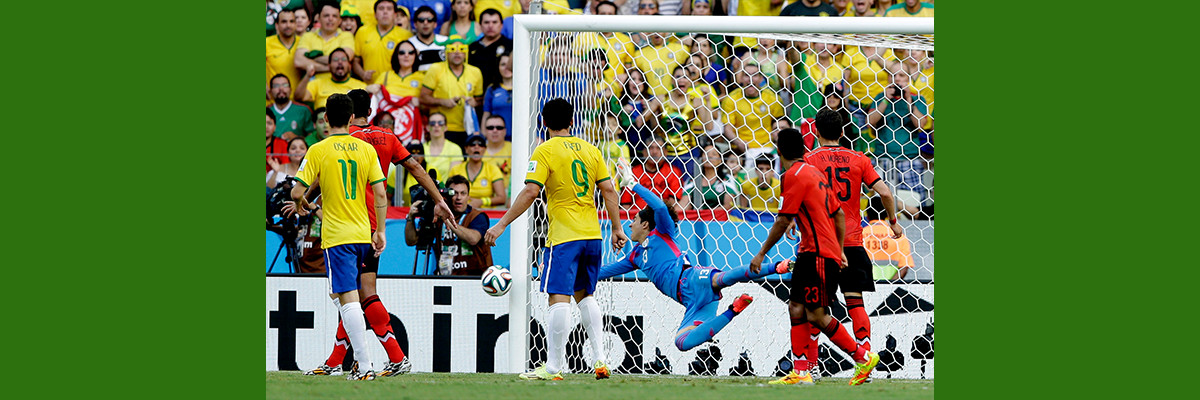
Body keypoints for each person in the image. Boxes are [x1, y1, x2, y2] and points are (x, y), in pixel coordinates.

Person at [305, 90, 454, 378]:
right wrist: (438, 199)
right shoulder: (387, 137)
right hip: (374, 224)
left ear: (348, 115)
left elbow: (322, 177)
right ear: (369, 112)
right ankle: (339, 360)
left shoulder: (345, 141)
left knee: (356, 294)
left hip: (350, 225)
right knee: (355, 293)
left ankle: (395, 358)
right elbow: (415, 167)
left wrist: (304, 199)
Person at [483, 98, 628, 381]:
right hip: (593, 235)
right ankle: (600, 359)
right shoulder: (591, 150)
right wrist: (617, 228)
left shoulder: (545, 150)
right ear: (572, 121)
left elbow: (530, 192)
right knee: (585, 295)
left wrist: (501, 225)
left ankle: (553, 367)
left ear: (544, 122)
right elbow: (609, 190)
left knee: (558, 297)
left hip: (564, 237)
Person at [600, 168, 793, 353]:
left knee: (723, 278)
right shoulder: (634, 256)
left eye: (634, 219)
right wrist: (581, 275)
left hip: (691, 278)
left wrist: (633, 184)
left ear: (644, 224)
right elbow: (605, 272)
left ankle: (778, 266)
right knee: (682, 342)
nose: (630, 224)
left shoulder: (663, 233)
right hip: (691, 302)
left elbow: (659, 207)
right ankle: (734, 310)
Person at [749, 127, 879, 386]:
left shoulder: (792, 175)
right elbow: (838, 213)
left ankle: (862, 358)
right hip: (813, 252)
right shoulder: (814, 173)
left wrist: (761, 253)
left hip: (817, 255)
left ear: (779, 151)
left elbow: (783, 220)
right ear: (803, 149)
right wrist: (839, 249)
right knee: (795, 307)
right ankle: (801, 372)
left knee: (816, 314)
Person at [288, 93, 388, 381]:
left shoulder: (319, 149)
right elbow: (381, 193)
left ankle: (364, 366)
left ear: (326, 119)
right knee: (340, 295)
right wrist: (380, 230)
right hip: (363, 232)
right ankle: (357, 361)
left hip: (337, 235)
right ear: (351, 117)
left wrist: (300, 202)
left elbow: (297, 191)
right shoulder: (366, 149)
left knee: (347, 297)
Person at [800, 111, 902, 379]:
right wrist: (893, 222)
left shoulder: (808, 160)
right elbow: (885, 192)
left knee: (815, 308)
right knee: (855, 303)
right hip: (853, 242)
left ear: (816, 132)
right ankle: (865, 360)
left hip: (822, 245)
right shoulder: (859, 159)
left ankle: (809, 366)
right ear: (843, 132)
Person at [407, 174, 493, 275]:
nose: (459, 198)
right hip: (445, 277)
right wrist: (410, 217)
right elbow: (411, 241)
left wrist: (446, 218)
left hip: (473, 277)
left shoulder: (477, 216)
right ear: (447, 196)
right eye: (454, 193)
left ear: (468, 196)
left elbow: (473, 239)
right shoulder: (436, 216)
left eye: (463, 193)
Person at [867, 65, 928, 201]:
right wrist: (885, 100)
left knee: (914, 202)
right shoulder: (880, 97)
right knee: (880, 204)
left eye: (901, 75)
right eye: (893, 75)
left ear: (908, 78)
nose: (897, 79)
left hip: (909, 160)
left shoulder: (918, 99)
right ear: (889, 78)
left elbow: (920, 125)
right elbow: (870, 122)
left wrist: (908, 100)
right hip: (883, 159)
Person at [420, 35, 484, 148]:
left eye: (462, 49)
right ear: (446, 52)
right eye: (452, 49)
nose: (457, 53)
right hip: (441, 128)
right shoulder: (435, 69)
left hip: (467, 128)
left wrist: (474, 102)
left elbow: (480, 100)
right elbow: (423, 98)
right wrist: (443, 102)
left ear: (466, 52)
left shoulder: (475, 72)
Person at [721, 62, 783, 159]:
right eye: (746, 75)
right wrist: (738, 142)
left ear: (761, 78)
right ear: (741, 78)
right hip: (743, 149)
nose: (750, 79)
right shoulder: (731, 99)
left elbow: (780, 124)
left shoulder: (773, 98)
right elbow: (727, 128)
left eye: (755, 75)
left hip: (768, 147)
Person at [353, 0, 414, 85]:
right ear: (375, 14)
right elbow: (355, 61)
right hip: (369, 86)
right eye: (381, 9)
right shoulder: (362, 32)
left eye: (389, 9)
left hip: (395, 87)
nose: (385, 12)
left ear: (395, 15)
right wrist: (363, 74)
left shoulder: (406, 36)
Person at [295, 2, 356, 80]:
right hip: (313, 85)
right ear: (319, 19)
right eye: (326, 15)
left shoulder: (347, 36)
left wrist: (314, 58)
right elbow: (298, 61)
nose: (330, 19)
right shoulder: (308, 36)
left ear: (340, 20)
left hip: (340, 85)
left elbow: (345, 59)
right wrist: (330, 67)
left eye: (334, 16)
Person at [621, 138, 684, 211]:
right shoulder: (632, 172)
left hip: (662, 215)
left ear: (665, 152)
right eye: (650, 148)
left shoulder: (673, 172)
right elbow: (625, 204)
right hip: (637, 215)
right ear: (644, 152)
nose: (654, 152)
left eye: (659, 148)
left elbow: (673, 203)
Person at [296, 48, 368, 110]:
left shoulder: (361, 87)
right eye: (335, 60)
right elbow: (299, 96)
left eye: (343, 59)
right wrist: (307, 76)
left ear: (350, 66)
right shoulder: (317, 84)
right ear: (329, 66)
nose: (340, 62)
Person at [862, 196, 915, 281]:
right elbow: (905, 266)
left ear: (867, 215)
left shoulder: (860, 235)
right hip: (890, 286)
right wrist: (890, 285)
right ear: (887, 214)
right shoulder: (898, 236)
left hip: (865, 285)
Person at [447, 134, 507, 208]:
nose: (476, 147)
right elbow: (449, 194)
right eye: (472, 144)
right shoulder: (456, 170)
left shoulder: (493, 169)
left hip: (487, 212)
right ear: (466, 149)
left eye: (480, 144)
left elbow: (502, 198)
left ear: (485, 149)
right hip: (460, 211)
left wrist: (482, 201)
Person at [468, 9, 512, 97]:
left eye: (494, 22)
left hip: (500, 97)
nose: (490, 26)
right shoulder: (472, 47)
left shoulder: (511, 46)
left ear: (501, 25)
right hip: (475, 96)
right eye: (486, 22)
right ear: (480, 25)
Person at [634, 32, 688, 97]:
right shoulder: (639, 54)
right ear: (648, 33)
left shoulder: (681, 50)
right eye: (653, 31)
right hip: (649, 97)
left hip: (673, 96)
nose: (656, 33)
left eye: (659, 30)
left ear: (665, 32)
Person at [682, 145, 734, 210]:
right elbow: (684, 204)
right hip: (698, 215)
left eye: (714, 154)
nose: (709, 156)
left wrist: (708, 213)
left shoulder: (727, 179)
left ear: (720, 160)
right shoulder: (692, 180)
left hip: (719, 215)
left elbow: (728, 205)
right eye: (706, 153)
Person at [267, 8, 303, 98]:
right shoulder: (267, 43)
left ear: (296, 24)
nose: (288, 25)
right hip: (272, 100)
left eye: (291, 21)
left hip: (298, 99)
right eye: (284, 22)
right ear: (276, 25)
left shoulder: (304, 43)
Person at [268, 74, 315, 141]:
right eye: (276, 86)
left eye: (285, 85)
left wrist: (296, 138)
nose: (281, 89)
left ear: (291, 89)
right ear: (270, 91)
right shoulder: (267, 111)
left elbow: (313, 136)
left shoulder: (303, 110)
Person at [422, 112, 463, 180]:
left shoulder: (455, 148)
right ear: (428, 128)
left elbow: (455, 177)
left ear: (446, 127)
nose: (436, 125)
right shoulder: (421, 148)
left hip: (446, 186)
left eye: (440, 123)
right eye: (432, 123)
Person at [481, 53, 513, 140]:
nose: (507, 67)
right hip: (497, 137)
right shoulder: (491, 89)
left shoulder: (523, 90)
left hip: (520, 137)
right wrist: (484, 134)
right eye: (503, 64)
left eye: (509, 64)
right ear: (498, 67)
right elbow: (486, 114)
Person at [408, 6, 449, 71]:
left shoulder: (446, 41)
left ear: (435, 24)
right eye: (421, 20)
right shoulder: (409, 44)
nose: (425, 23)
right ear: (415, 24)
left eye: (429, 20)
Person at [481, 114, 512, 187]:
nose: (495, 130)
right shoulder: (477, 149)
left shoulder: (514, 149)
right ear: (485, 131)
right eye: (490, 128)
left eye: (499, 128)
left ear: (505, 131)